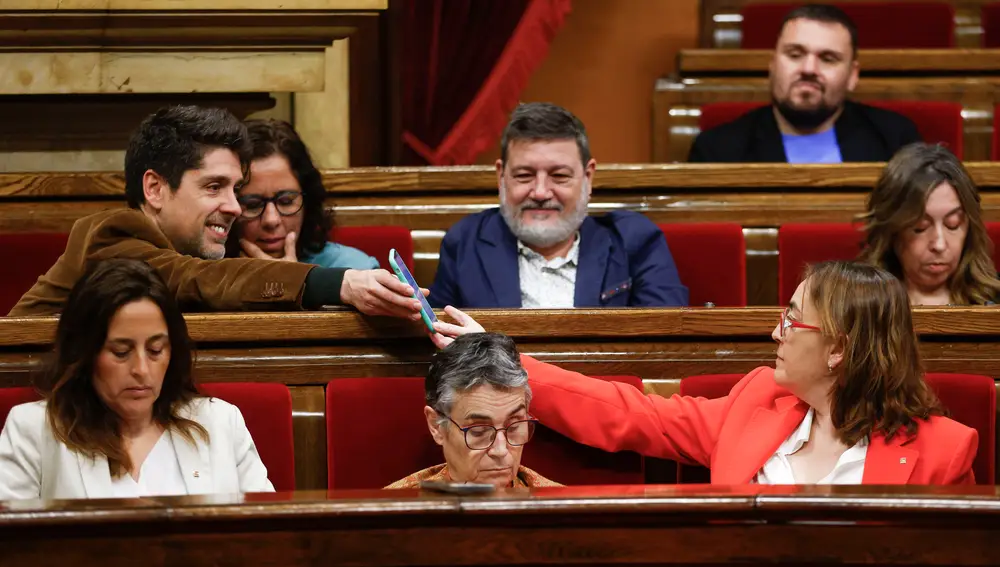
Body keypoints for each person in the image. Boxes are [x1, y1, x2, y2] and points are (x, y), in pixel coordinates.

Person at [430, 261, 977, 485]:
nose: (775, 333)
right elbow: (633, 415)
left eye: (791, 320)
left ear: (838, 350)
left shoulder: (944, 453)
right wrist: (511, 366)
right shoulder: (757, 402)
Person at [9, 105, 422, 321]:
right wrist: (341, 284)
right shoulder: (110, 236)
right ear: (154, 188)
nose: (234, 206)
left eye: (235, 188)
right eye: (213, 187)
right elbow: (200, 280)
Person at [0, 259, 274, 499]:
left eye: (156, 350)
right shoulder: (34, 431)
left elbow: (268, 539)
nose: (142, 369)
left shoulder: (221, 423)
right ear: (84, 352)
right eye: (121, 352)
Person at [429, 102, 687, 309]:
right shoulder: (465, 242)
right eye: (524, 176)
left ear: (588, 177)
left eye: (560, 176)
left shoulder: (634, 241)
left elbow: (666, 344)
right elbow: (436, 343)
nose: (540, 192)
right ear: (501, 176)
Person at [688, 4, 920, 163]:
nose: (809, 69)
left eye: (828, 59)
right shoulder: (717, 150)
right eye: (795, 54)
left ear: (852, 75)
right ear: (773, 65)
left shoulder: (896, 141)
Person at [386, 333, 559, 489]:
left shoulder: (565, 510)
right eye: (479, 431)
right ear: (436, 426)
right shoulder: (388, 512)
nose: (500, 451)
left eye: (514, 427)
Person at [225, 119, 379, 270]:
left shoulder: (352, 270)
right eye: (253, 205)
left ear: (307, 201)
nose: (271, 220)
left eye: (286, 202)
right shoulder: (208, 272)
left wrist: (290, 282)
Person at [859, 143, 1000, 305]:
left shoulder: (994, 300)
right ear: (891, 231)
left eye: (953, 224)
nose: (939, 245)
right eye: (920, 227)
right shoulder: (858, 307)